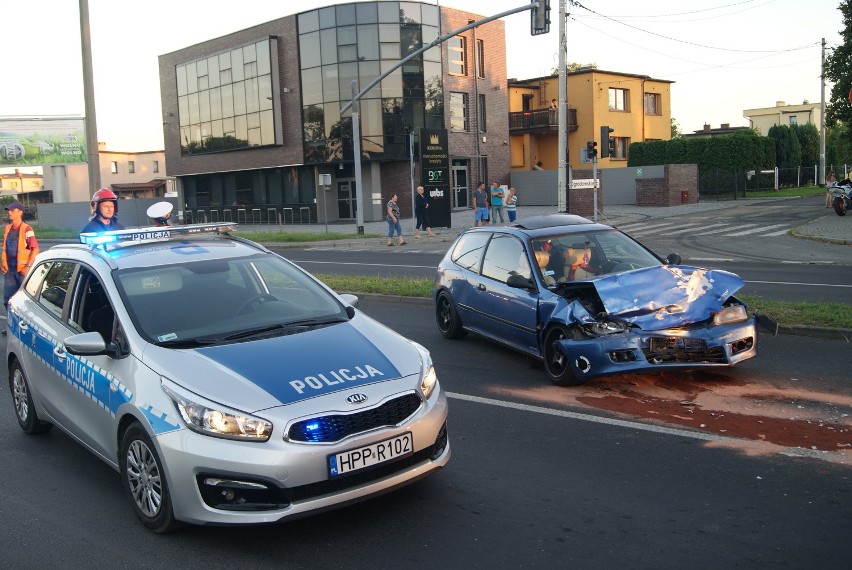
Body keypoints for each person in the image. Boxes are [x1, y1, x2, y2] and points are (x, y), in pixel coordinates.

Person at [2, 202, 39, 311]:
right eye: (8, 210)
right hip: (10, 270)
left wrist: (27, 266)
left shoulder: (27, 229)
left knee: (26, 300)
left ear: (20, 212)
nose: (9, 212)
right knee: (8, 300)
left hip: (22, 270)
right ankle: (11, 322)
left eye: (12, 210)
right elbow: (4, 248)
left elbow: (35, 248)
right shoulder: (8, 228)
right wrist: (3, 262)